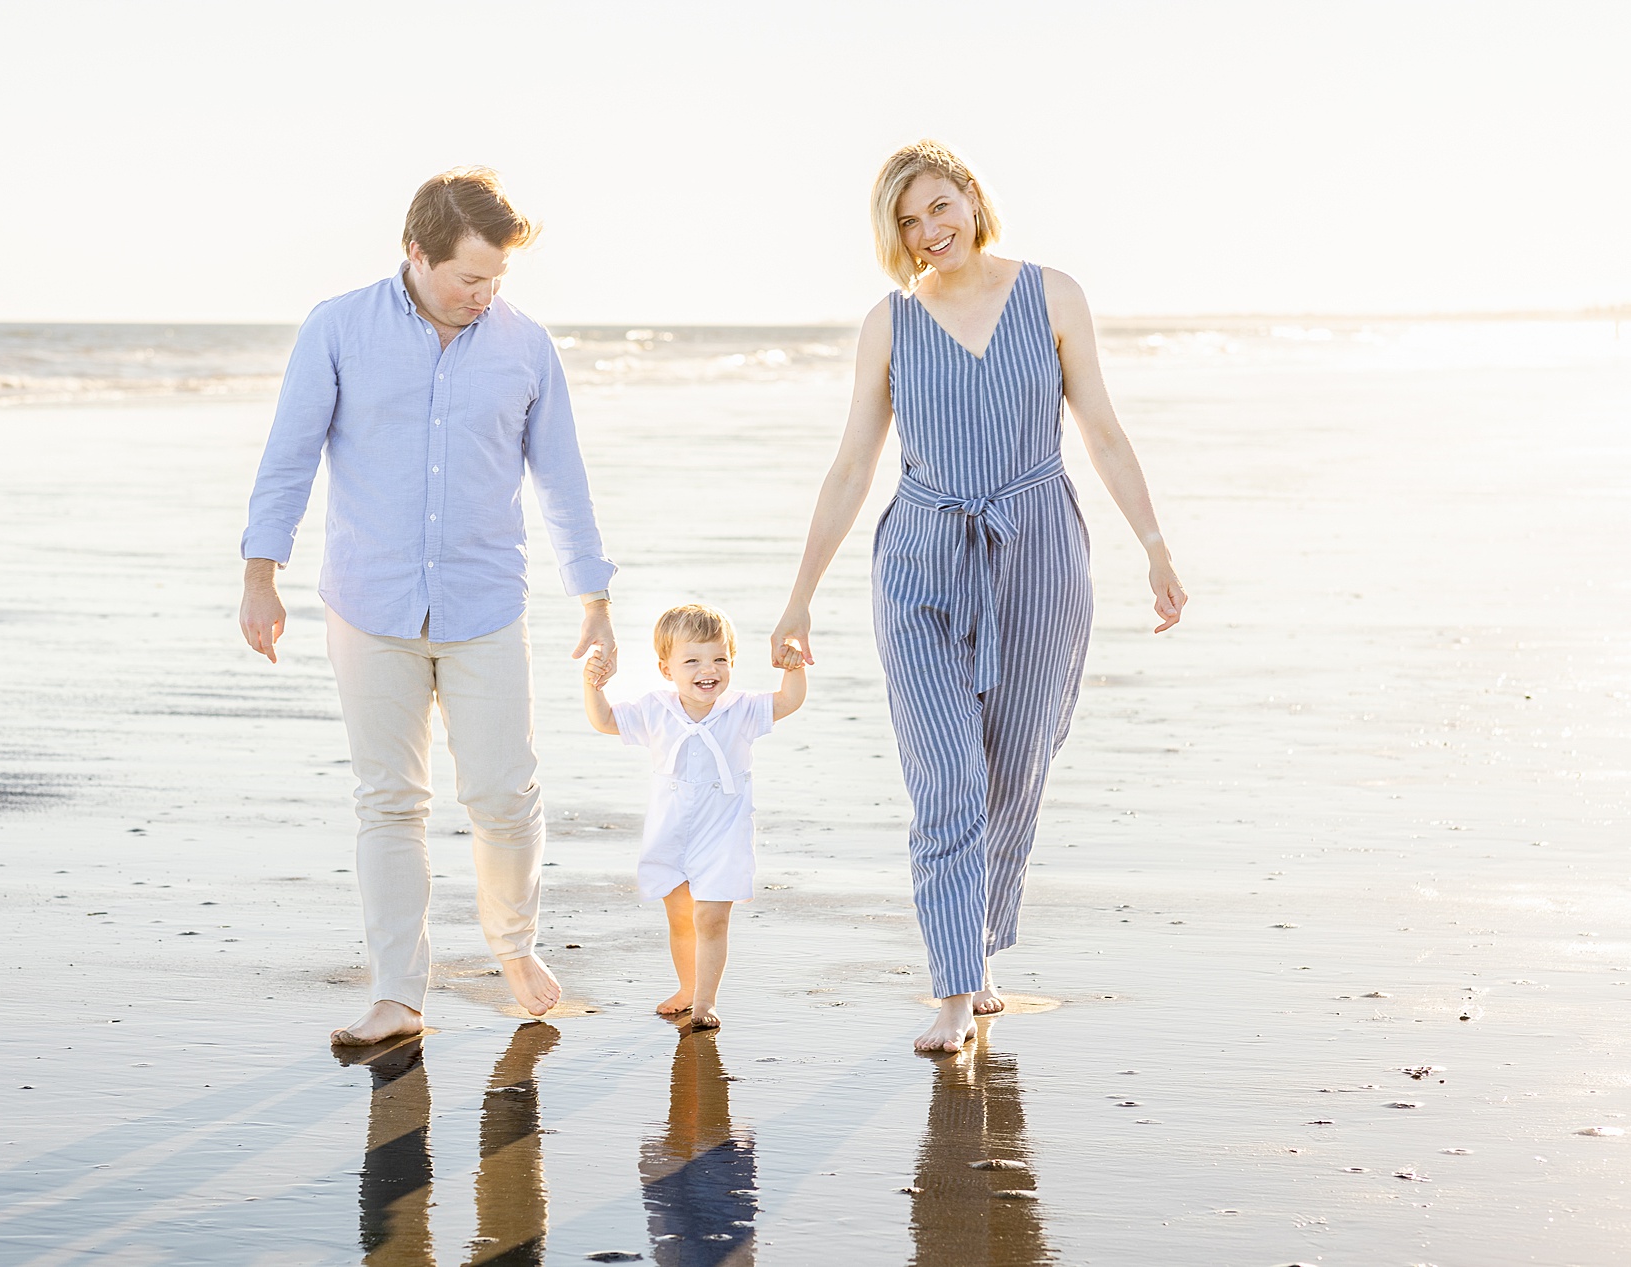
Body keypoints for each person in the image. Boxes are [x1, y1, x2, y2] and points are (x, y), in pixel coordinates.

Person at [770, 140, 1187, 1054]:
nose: (929, 232)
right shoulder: (890, 322)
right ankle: (955, 988)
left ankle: (981, 944)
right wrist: (800, 595)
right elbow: (852, 464)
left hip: (1039, 552)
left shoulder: (1052, 294)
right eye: (909, 222)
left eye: (939, 207)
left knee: (1012, 767)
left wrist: (1154, 546)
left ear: (971, 196)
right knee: (946, 776)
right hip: (922, 558)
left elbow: (1104, 432)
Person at [238, 167, 619, 1047]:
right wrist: (262, 574)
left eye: (497, 280)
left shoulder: (525, 345)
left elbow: (562, 478)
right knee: (389, 800)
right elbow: (288, 455)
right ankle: (397, 994)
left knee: (503, 793)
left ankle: (513, 947)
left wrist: (593, 598)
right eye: (470, 278)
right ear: (418, 255)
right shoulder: (339, 328)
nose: (484, 296)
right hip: (368, 603)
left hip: (485, 602)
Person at [583, 604, 805, 1029]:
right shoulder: (655, 709)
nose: (709, 670)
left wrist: (793, 665)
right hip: (671, 831)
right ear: (667, 669)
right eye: (693, 661)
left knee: (711, 916)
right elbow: (605, 720)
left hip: (723, 833)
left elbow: (789, 700)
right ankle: (687, 988)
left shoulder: (741, 709)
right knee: (681, 917)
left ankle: (705, 1001)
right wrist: (593, 684)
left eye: (720, 659)